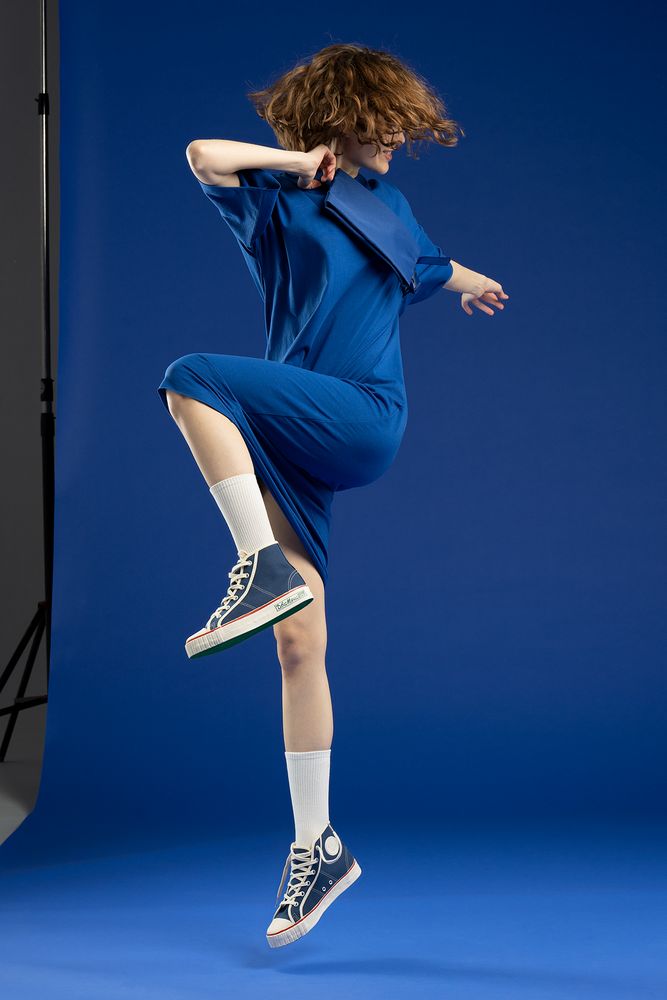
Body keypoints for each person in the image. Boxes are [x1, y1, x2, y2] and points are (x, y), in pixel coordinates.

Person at [156, 42, 509, 948]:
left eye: (401, 123)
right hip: (288, 433)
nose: (395, 137)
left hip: (360, 412)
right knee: (298, 640)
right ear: (339, 119)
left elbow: (428, 267)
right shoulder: (273, 198)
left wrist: (470, 281)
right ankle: (317, 846)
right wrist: (294, 163)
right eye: (380, 122)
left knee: (193, 376)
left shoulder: (391, 208)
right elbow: (202, 155)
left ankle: (257, 564)